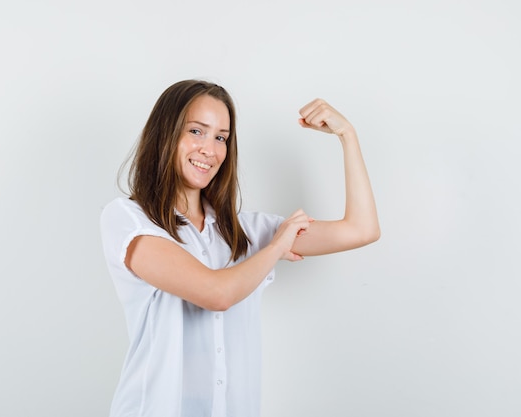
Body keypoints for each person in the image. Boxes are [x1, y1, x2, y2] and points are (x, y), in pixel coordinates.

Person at [99, 79, 380, 417]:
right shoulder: (129, 219)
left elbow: (361, 230)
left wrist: (347, 135)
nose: (210, 149)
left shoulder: (244, 232)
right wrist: (276, 248)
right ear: (166, 134)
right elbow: (215, 293)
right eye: (196, 131)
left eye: (221, 138)